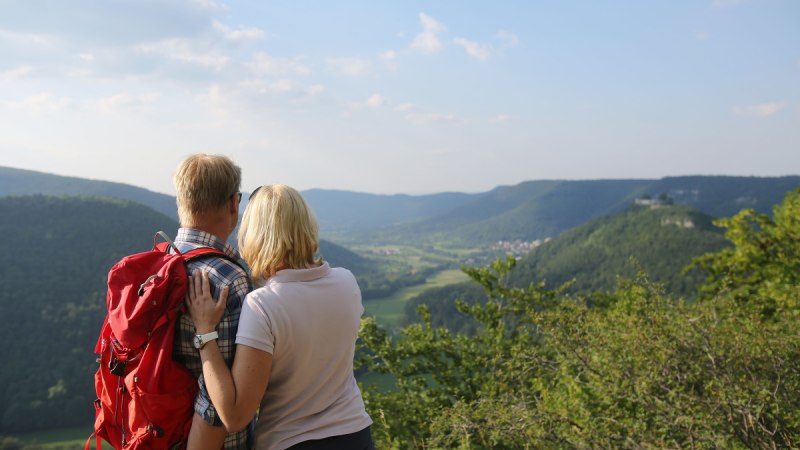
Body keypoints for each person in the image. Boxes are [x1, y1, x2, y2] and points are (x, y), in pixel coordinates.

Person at [185, 184, 374, 450]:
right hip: (356, 436)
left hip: (291, 442)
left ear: (255, 234)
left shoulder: (263, 305)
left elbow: (235, 416)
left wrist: (205, 333)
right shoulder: (346, 282)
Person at [172, 154, 255, 450]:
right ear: (234, 202)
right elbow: (227, 403)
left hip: (160, 434)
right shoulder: (228, 280)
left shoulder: (160, 266)